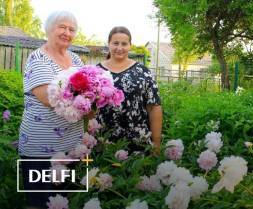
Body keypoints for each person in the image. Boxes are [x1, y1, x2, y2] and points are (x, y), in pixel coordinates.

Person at [18, 11, 83, 209]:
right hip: (41, 149)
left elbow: (91, 89)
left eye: (71, 29)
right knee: (41, 202)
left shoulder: (76, 59)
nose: (67, 32)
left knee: (65, 199)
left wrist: (93, 97)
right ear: (49, 29)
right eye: (62, 27)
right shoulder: (38, 59)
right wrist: (86, 97)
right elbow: (49, 98)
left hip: (72, 146)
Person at [97, 26, 162, 155]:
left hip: (138, 144)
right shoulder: (96, 73)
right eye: (115, 43)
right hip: (103, 143)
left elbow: (154, 107)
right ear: (108, 44)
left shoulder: (142, 72)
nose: (119, 48)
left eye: (124, 44)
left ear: (130, 45)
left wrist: (156, 143)